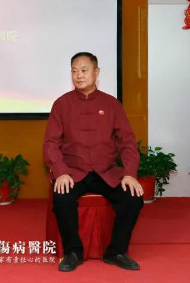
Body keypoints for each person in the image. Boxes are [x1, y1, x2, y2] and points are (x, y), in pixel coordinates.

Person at [43, 52, 144, 272]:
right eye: (74, 71)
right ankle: (73, 252)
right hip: (73, 171)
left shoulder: (111, 104)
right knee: (62, 197)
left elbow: (127, 142)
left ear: (96, 72)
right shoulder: (62, 104)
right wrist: (60, 172)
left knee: (132, 198)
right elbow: (50, 143)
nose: (78, 75)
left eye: (84, 70)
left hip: (106, 171)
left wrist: (129, 173)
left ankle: (116, 252)